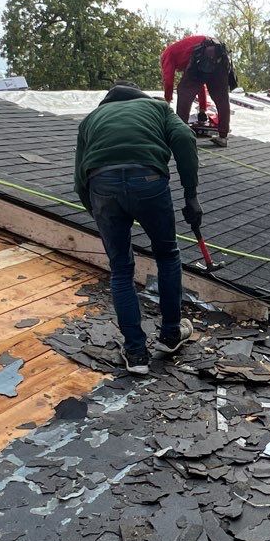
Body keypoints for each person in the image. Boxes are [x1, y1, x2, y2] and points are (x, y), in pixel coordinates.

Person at [74, 83, 201, 374]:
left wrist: (99, 214)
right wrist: (191, 196)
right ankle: (170, 335)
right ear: (139, 98)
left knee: (120, 268)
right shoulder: (157, 107)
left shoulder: (91, 120)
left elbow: (79, 179)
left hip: (101, 185)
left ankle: (135, 353)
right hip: (148, 180)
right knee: (167, 255)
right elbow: (184, 136)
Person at [161, 33, 237, 147]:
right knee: (221, 97)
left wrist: (167, 101)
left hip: (204, 51)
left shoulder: (167, 54)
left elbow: (168, 80)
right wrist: (202, 109)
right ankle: (223, 137)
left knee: (183, 90)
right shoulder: (185, 52)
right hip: (221, 53)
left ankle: (180, 136)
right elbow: (199, 83)